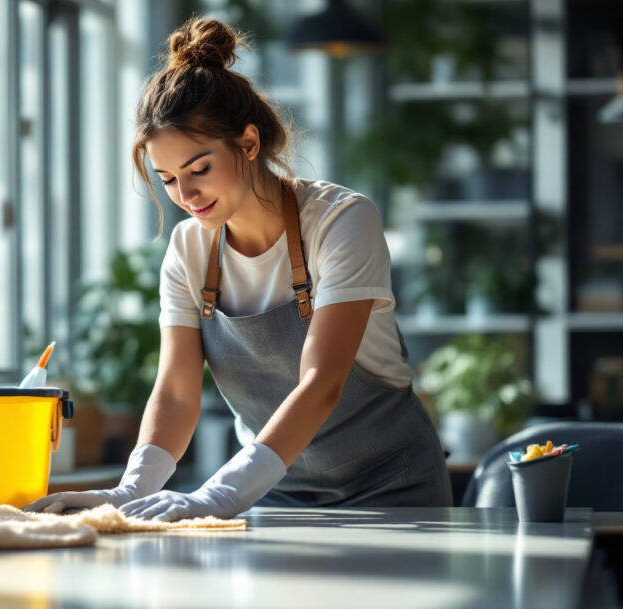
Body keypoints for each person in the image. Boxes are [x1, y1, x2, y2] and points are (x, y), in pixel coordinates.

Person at [27, 17, 452, 521]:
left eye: (199, 169)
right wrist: (128, 491)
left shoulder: (341, 221)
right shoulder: (189, 250)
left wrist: (216, 496)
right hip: (273, 494)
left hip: (392, 491)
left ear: (249, 144)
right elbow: (177, 393)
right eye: (167, 179)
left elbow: (322, 383)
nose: (186, 196)